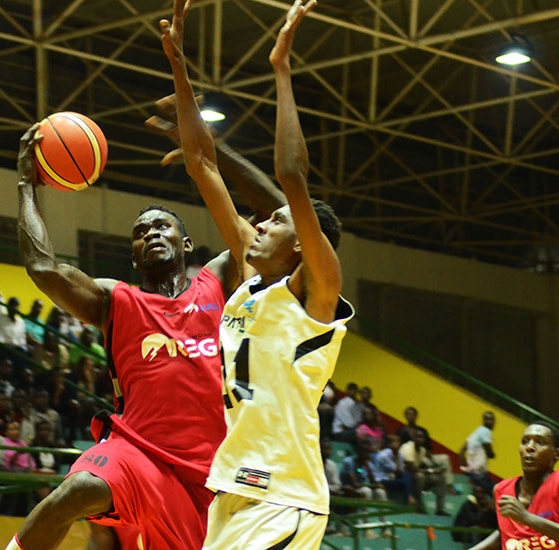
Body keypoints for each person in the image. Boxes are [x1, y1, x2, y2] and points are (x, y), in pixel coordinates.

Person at [7, 71, 282, 550]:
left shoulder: (218, 279)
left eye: (162, 226)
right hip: (136, 453)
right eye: (140, 232)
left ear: (187, 242)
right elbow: (44, 269)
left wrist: (211, 149)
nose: (151, 232)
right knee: (75, 491)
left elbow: (280, 216)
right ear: (134, 255)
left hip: (209, 474)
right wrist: (27, 187)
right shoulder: (117, 299)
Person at [165, 0, 354, 547]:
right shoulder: (253, 281)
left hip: (285, 496)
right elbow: (201, 162)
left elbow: (292, 175)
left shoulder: (317, 293)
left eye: (275, 221)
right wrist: (179, 66)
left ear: (302, 243)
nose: (260, 226)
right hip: (232, 488)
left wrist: (281, 68)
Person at [468, 421, 559, 550]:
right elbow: (504, 535)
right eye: (525, 441)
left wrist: (526, 518)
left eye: (540, 442)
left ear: (557, 453)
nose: (530, 447)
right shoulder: (501, 490)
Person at [460, 411, 496, 494]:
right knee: (495, 492)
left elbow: (462, 450)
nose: (491, 422)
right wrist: (492, 454)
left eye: (492, 420)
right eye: (489, 419)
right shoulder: (486, 432)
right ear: (484, 420)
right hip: (479, 473)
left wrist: (463, 466)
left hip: (473, 472)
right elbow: (490, 452)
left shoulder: (477, 432)